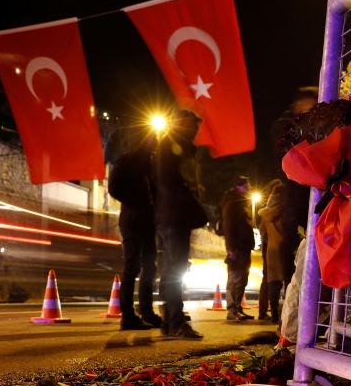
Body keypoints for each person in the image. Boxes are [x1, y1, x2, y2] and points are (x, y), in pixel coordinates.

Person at [153, 110, 209, 339]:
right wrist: (191, 195)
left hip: (168, 216)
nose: (196, 129)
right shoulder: (173, 146)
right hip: (175, 216)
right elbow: (172, 180)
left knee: (170, 269)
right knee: (176, 270)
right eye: (192, 125)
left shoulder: (168, 145)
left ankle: (169, 321)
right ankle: (176, 322)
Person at [108, 130, 163, 330]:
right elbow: (114, 187)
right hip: (132, 220)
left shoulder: (151, 165)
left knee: (150, 267)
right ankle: (128, 315)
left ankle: (146, 311)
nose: (156, 142)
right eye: (153, 139)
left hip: (148, 222)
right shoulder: (128, 160)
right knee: (132, 266)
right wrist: (138, 202)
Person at [272, 87, 318, 284]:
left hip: (310, 193)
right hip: (298, 195)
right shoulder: (285, 126)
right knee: (292, 242)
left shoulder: (307, 125)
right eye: (310, 103)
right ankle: (294, 289)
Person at [220, 176, 256, 321]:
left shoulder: (240, 202)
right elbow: (228, 226)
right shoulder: (231, 201)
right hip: (237, 247)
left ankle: (238, 307)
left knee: (242, 279)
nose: (249, 187)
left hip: (244, 246)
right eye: (247, 184)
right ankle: (232, 309)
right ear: (238, 186)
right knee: (235, 278)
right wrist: (231, 248)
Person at [258, 182, 288, 323]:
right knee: (289, 282)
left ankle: (274, 314)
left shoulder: (265, 213)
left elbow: (262, 231)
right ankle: (287, 314)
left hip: (271, 249)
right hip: (286, 247)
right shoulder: (285, 208)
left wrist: (270, 241)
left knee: (273, 282)